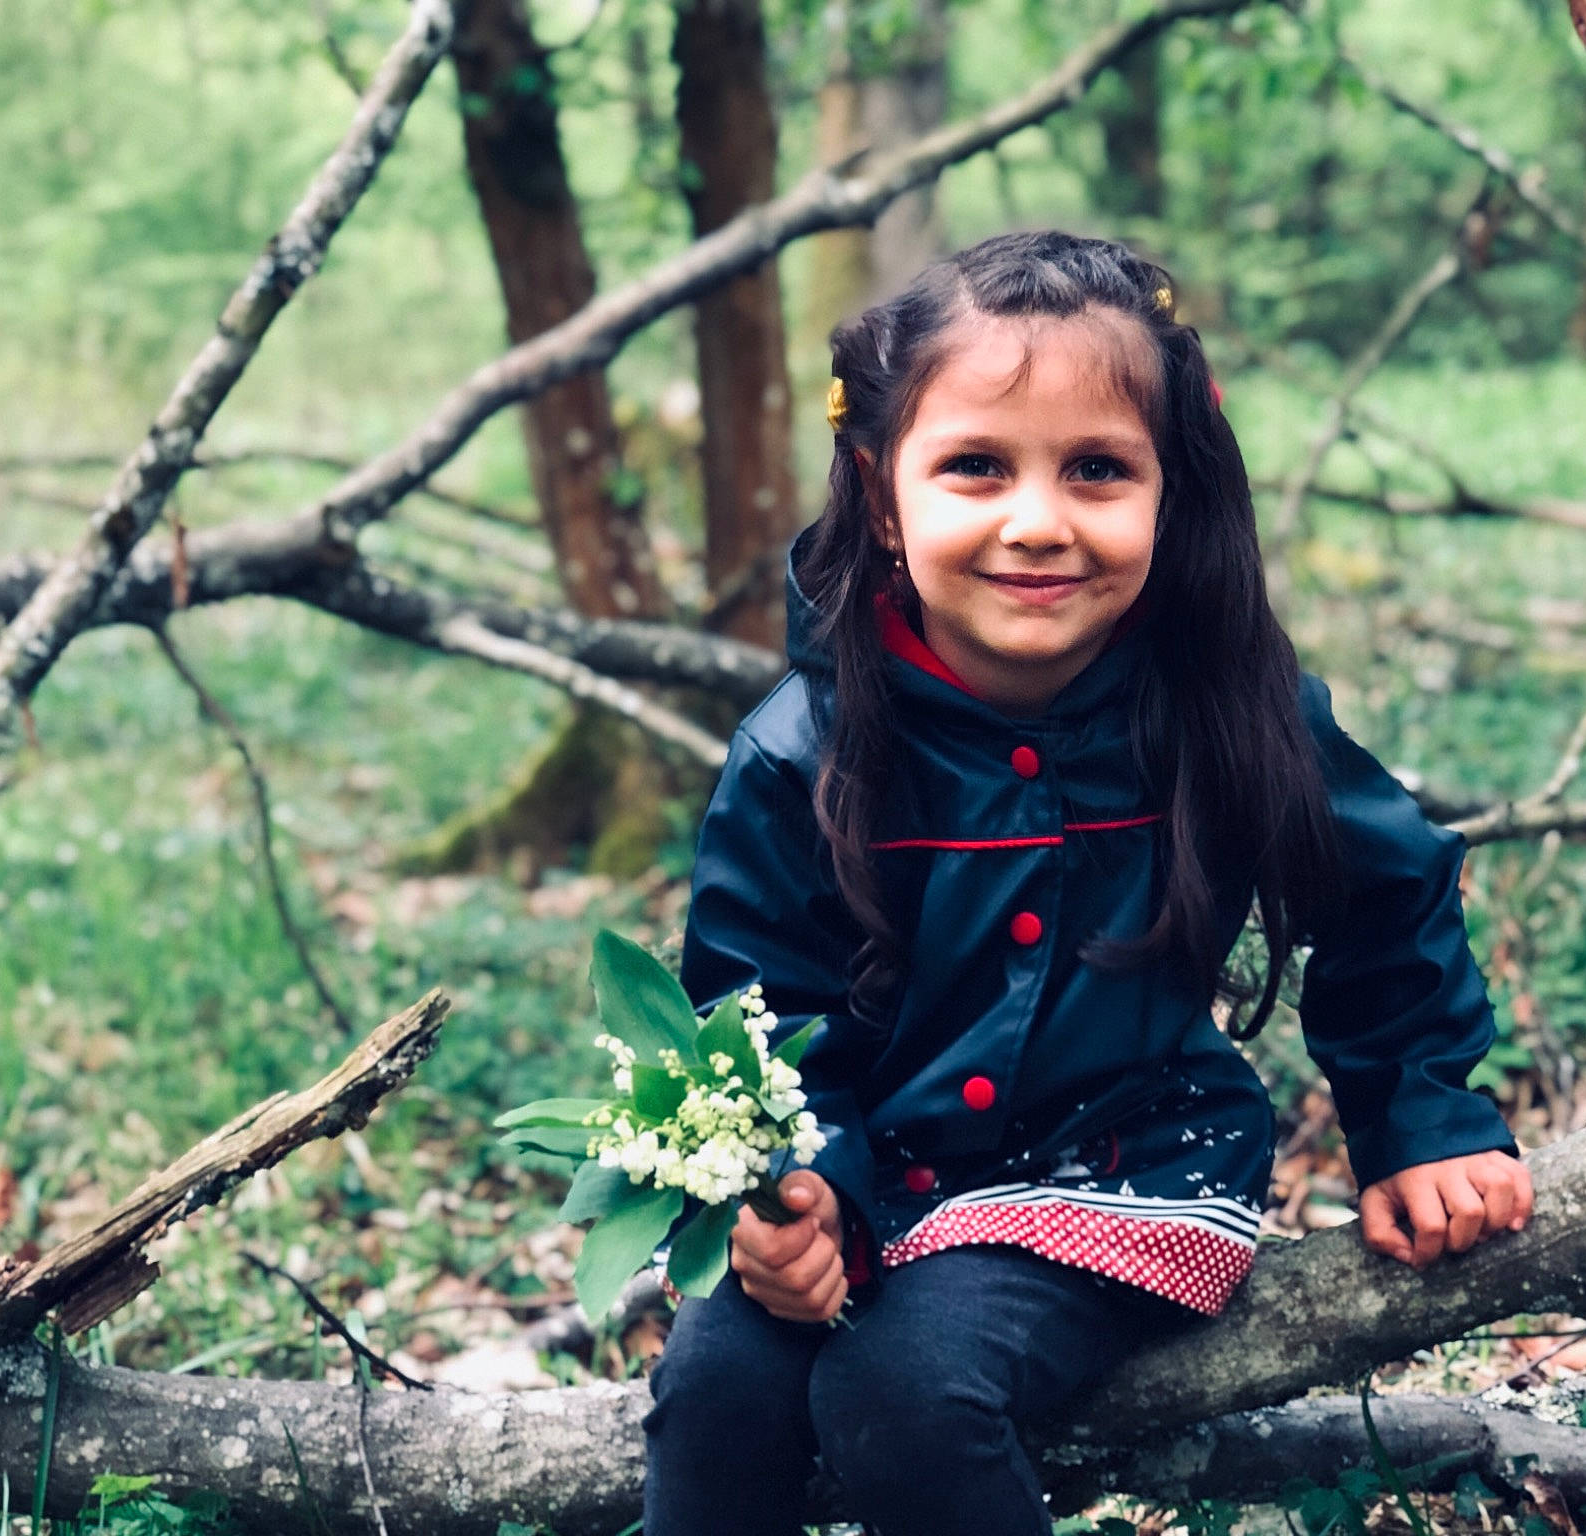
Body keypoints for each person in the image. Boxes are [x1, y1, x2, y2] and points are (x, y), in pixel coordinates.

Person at [640, 230, 1533, 1536]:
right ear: (885, 498)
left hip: (1128, 1173)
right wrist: (795, 1182)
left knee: (906, 1386)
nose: (1038, 521)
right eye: (976, 468)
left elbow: (1387, 890)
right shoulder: (805, 750)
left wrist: (1420, 1117)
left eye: (1099, 470)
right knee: (716, 1388)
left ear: (1171, 495)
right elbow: (756, 1009)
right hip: (875, 1178)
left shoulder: (1229, 714)